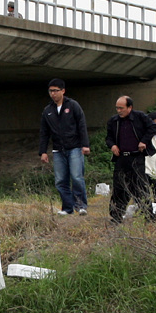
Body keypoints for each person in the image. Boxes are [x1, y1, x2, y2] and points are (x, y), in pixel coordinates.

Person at [37, 78, 91, 215]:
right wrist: (42, 151)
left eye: (56, 91)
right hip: (58, 149)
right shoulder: (48, 110)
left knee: (77, 177)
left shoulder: (72, 106)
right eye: (51, 91)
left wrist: (85, 145)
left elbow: (81, 125)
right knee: (61, 181)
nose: (53, 94)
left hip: (74, 147)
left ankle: (81, 206)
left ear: (63, 91)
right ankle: (67, 208)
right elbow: (44, 132)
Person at [105, 95, 156, 223]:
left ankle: (148, 215)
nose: (119, 111)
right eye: (117, 108)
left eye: (121, 108)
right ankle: (116, 215)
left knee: (140, 186)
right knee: (119, 187)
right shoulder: (114, 121)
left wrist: (144, 141)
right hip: (121, 158)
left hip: (136, 157)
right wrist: (113, 146)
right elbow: (108, 138)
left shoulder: (139, 117)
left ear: (130, 107)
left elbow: (152, 128)